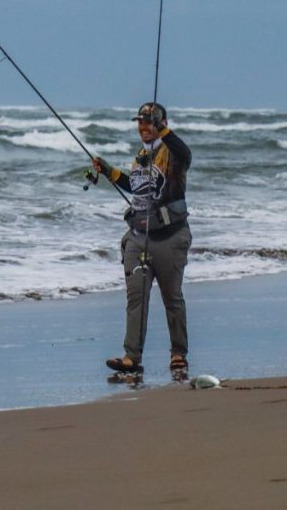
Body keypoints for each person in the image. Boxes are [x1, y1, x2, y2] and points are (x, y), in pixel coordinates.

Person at [92, 102, 192, 374]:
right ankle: (131, 357)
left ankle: (178, 354)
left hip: (171, 236)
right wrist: (109, 171)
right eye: (141, 122)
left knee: (172, 297)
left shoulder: (172, 152)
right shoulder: (141, 156)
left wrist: (164, 132)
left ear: (162, 123)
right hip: (138, 237)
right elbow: (134, 186)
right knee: (136, 298)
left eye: (150, 122)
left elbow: (186, 153)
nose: (144, 127)